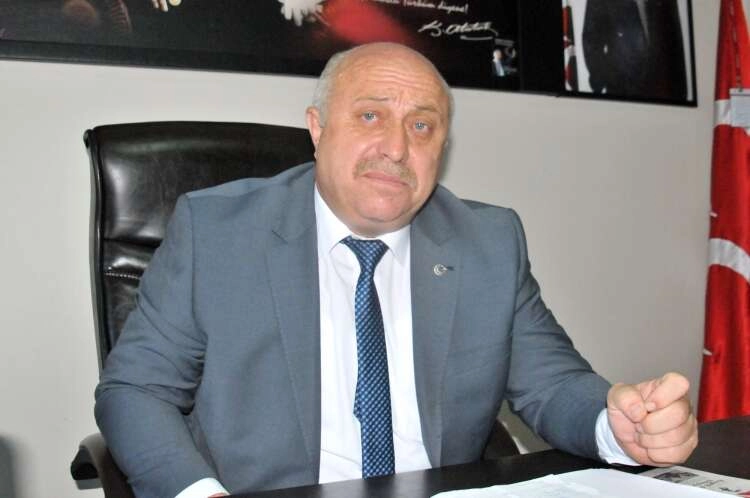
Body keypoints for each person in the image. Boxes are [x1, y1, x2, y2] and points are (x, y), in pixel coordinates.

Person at [95, 42, 698, 498]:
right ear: (317, 128)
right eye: (369, 116)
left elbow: (552, 384)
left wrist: (617, 425)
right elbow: (136, 391)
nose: (396, 147)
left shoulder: (488, 242)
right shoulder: (218, 232)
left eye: (421, 126)